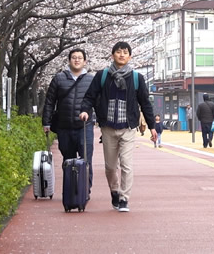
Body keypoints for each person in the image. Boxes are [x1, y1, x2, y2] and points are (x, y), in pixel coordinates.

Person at [79, 41, 156, 213]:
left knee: (127, 165)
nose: (122, 55)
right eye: (119, 52)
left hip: (128, 128)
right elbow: (90, 96)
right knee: (110, 167)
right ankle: (114, 191)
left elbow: (145, 103)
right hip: (108, 128)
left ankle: (124, 198)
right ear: (113, 54)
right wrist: (85, 110)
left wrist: (152, 126)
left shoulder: (136, 78)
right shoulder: (103, 76)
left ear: (130, 56)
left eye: (125, 52)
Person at [41, 48, 95, 192]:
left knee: (86, 160)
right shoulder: (59, 78)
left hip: (85, 127)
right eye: (73, 57)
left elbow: (98, 101)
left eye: (79, 58)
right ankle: (71, 190)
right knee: (67, 160)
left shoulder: (91, 79)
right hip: (64, 127)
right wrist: (46, 122)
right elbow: (50, 101)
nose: (76, 60)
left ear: (85, 61)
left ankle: (84, 190)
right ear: (69, 60)